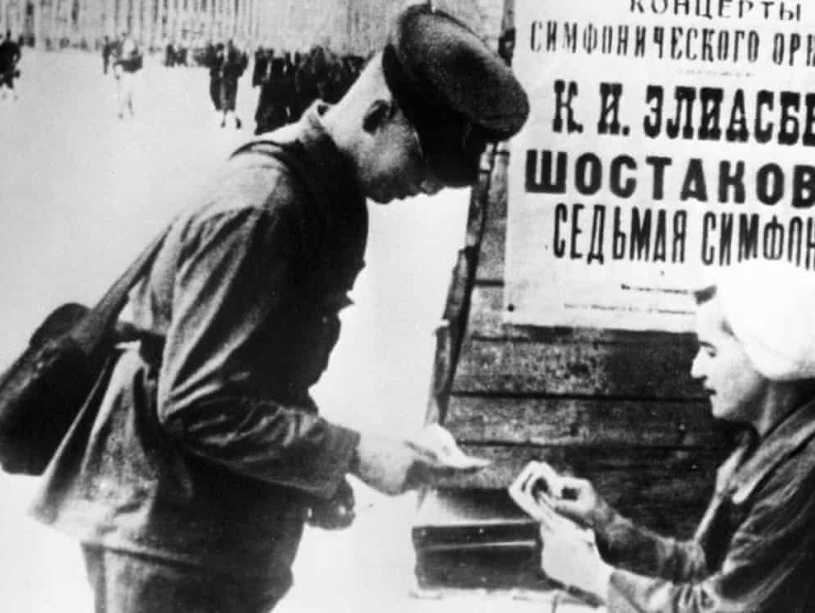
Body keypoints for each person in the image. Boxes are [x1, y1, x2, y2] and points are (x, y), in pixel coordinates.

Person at [29, 5, 529, 613]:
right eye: (424, 163)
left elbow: (261, 373)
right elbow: (198, 401)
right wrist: (353, 452)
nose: (425, 188)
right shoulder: (264, 208)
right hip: (167, 532)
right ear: (378, 114)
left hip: (212, 524)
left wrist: (319, 480)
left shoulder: (330, 196)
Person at [511, 259, 815, 612]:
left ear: (765, 356)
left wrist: (594, 577)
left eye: (710, 352)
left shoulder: (809, 469)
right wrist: (604, 522)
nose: (697, 370)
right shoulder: (767, 446)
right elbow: (702, 566)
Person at [219, 39, 248, 129]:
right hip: (234, 84)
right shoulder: (236, 65)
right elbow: (240, 73)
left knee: (225, 100)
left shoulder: (226, 64)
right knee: (231, 101)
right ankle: (235, 120)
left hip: (225, 83)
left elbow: (222, 74)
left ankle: (225, 119)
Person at [113, 32, 142, 119]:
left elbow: (139, 66)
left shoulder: (134, 58)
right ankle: (123, 112)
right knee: (125, 95)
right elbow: (116, 63)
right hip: (126, 76)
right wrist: (117, 74)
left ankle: (128, 111)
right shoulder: (125, 58)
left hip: (130, 77)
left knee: (129, 95)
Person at [0, 31, 22, 99]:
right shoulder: (14, 45)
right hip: (9, 65)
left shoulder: (4, 44)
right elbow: (19, 55)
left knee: (1, 78)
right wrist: (15, 62)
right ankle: (12, 94)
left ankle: (7, 93)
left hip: (3, 65)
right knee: (7, 79)